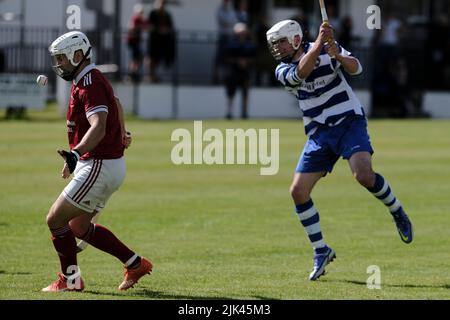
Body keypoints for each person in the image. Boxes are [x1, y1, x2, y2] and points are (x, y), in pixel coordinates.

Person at [266, 20, 413, 281]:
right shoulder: (283, 69)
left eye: (280, 42)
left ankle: (396, 210)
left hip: (348, 122)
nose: (276, 48)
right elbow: (301, 73)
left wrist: (337, 55)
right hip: (319, 133)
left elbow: (357, 68)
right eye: (274, 44)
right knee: (298, 192)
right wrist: (322, 45)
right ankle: (320, 251)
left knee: (363, 175)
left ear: (296, 39)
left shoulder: (326, 48)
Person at [43, 31, 152, 292]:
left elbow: (99, 126)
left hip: (99, 164)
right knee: (78, 226)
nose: (59, 65)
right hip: (101, 164)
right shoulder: (85, 79)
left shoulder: (89, 81)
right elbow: (115, 103)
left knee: (54, 220)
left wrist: (77, 153)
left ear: (77, 55)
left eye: (62, 59)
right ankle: (135, 263)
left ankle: (70, 281)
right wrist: (122, 132)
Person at [224, 22, 256, 119]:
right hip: (233, 72)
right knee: (231, 93)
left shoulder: (250, 45)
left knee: (245, 93)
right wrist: (238, 61)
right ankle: (229, 113)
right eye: (240, 33)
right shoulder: (231, 44)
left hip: (245, 72)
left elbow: (254, 58)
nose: (242, 35)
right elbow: (226, 57)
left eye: (243, 33)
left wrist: (246, 62)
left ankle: (244, 113)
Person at [146, 0, 176, 83]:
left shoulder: (167, 15)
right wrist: (158, 29)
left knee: (158, 59)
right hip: (153, 41)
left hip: (162, 42)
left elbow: (170, 26)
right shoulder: (153, 13)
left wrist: (165, 30)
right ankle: (150, 76)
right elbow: (149, 25)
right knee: (151, 59)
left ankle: (154, 76)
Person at [213, 0, 238, 84]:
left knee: (229, 58)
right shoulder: (219, 11)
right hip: (223, 37)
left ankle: (227, 78)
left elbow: (234, 22)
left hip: (230, 37)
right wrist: (228, 23)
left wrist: (228, 23)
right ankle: (216, 78)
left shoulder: (232, 11)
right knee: (219, 58)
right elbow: (223, 22)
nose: (226, 3)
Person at [126, 3, 148, 82]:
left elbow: (146, 26)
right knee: (134, 59)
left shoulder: (140, 20)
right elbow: (132, 27)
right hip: (132, 42)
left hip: (136, 42)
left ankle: (133, 73)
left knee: (138, 58)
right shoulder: (135, 19)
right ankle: (131, 74)